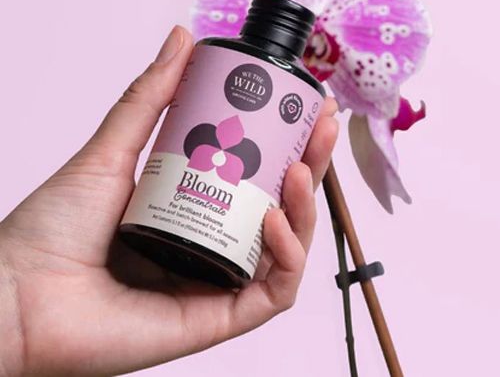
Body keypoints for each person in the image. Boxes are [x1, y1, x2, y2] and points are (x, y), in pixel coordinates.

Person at [0, 27, 338, 376]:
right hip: (156, 227)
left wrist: (19, 324)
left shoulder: (296, 85)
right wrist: (16, 299)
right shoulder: (215, 52)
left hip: (205, 243)